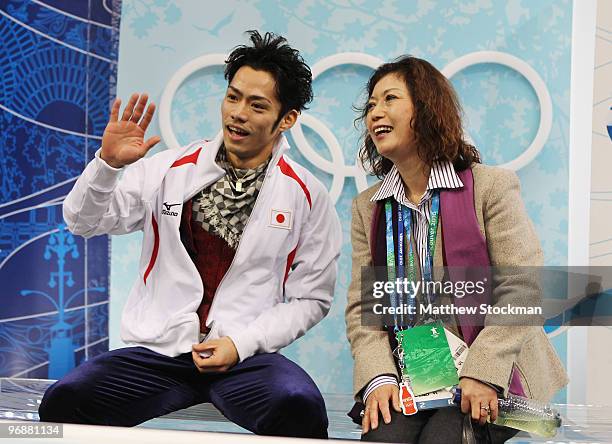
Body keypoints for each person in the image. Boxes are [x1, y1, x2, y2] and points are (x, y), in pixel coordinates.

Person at [38, 30, 341, 439]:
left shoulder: (306, 194)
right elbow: (83, 221)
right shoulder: (168, 168)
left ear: (286, 118)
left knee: (299, 406)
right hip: (157, 354)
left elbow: (312, 298)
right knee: (64, 400)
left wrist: (242, 342)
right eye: (232, 97)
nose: (238, 113)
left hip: (244, 358)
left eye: (257, 105)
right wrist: (106, 165)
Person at [345, 56, 568, 443]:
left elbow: (523, 286)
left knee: (444, 439)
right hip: (418, 375)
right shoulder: (369, 209)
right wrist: (377, 377)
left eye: (389, 99)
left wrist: (481, 371)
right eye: (370, 106)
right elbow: (364, 308)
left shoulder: (491, 186)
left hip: (495, 371)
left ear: (428, 108)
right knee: (383, 439)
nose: (375, 112)